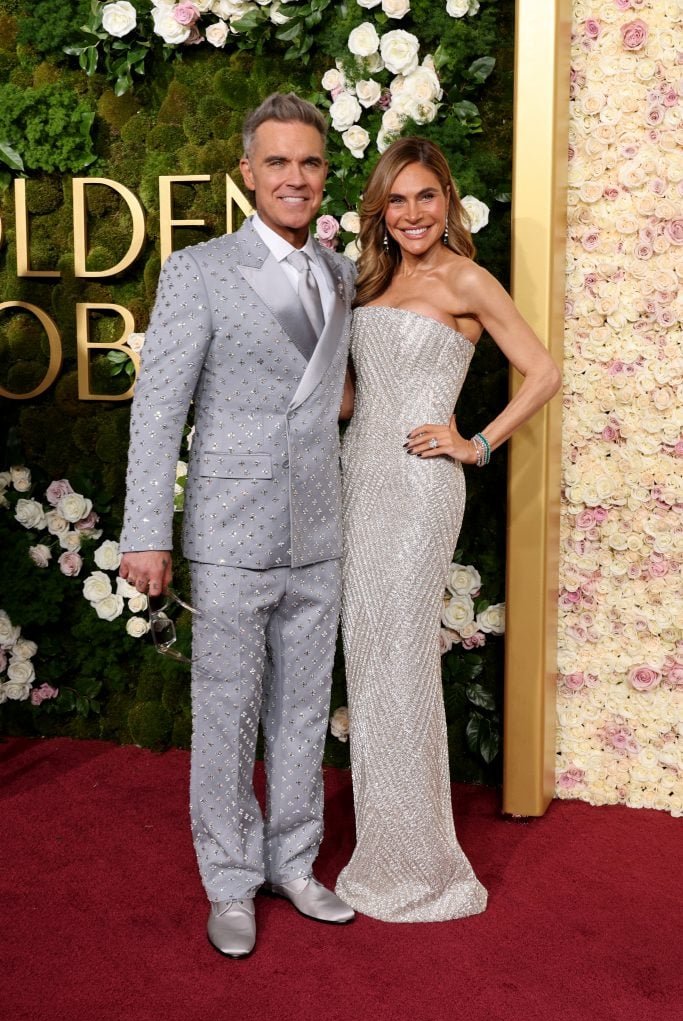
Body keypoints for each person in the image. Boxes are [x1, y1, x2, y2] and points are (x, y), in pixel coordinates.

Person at [118, 92, 356, 958]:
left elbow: (336, 399)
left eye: (310, 163)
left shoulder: (337, 271)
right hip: (228, 528)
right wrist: (147, 530)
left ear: (324, 174)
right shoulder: (200, 269)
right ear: (246, 174)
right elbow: (158, 411)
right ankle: (229, 880)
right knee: (225, 711)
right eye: (279, 163)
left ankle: (293, 864)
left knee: (301, 713)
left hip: (318, 529)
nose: (295, 178)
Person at [335, 137, 561, 922]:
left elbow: (543, 369)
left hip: (420, 491)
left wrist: (476, 443)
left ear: (446, 200)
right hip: (357, 482)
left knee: (399, 663)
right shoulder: (371, 280)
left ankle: (422, 865)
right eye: (395, 200)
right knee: (368, 665)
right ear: (380, 210)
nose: (410, 213)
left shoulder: (465, 277)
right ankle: (382, 851)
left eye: (423, 196)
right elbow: (352, 400)